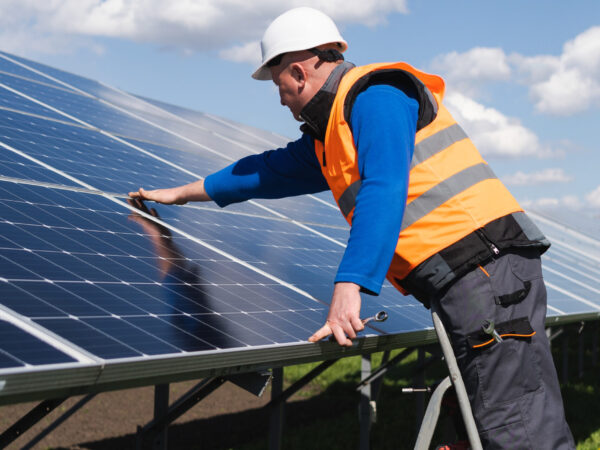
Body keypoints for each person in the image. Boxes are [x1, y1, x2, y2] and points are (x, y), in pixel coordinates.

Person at [129, 7, 575, 449]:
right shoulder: (332, 134)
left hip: (485, 271)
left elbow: (385, 187)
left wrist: (350, 285)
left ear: (299, 72)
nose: (280, 98)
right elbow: (264, 172)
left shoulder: (376, 96)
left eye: (278, 84)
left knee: (518, 428)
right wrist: (183, 193)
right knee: (490, 420)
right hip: (473, 279)